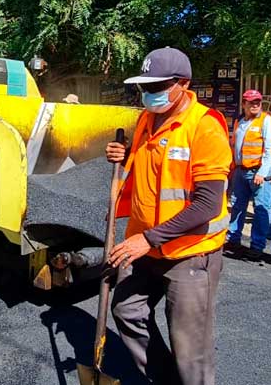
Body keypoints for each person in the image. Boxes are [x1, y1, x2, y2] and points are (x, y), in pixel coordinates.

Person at [105, 47, 232, 385]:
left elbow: (207, 205)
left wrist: (147, 239)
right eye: (144, 87)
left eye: (157, 86)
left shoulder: (205, 128)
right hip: (147, 246)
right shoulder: (146, 119)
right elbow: (150, 164)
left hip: (189, 253)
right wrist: (125, 153)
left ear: (182, 84)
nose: (148, 94)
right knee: (126, 310)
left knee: (190, 351)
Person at [225, 89, 271, 261]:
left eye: (257, 102)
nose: (255, 105)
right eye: (251, 102)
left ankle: (257, 246)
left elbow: (269, 150)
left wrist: (262, 172)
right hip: (240, 171)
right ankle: (233, 239)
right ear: (244, 104)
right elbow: (234, 146)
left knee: (260, 209)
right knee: (237, 206)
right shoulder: (239, 121)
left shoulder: (266, 121)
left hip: (258, 173)